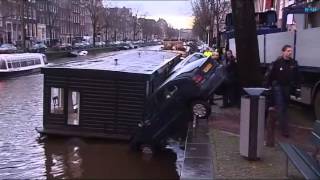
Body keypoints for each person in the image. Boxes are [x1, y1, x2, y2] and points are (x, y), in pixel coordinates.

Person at [264, 45, 300, 137]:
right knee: (281, 107)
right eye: (288, 51)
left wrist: (297, 89)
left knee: (280, 106)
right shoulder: (277, 63)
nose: (290, 53)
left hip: (287, 88)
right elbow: (269, 75)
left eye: (291, 51)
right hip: (277, 87)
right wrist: (267, 87)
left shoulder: (294, 63)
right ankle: (285, 130)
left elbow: (297, 77)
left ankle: (268, 122)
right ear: (283, 52)